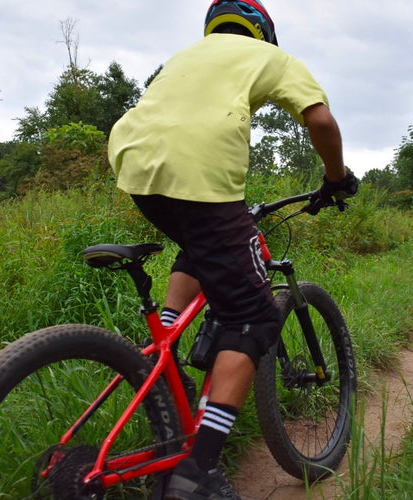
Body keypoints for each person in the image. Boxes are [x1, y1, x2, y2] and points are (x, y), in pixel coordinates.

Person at [108, 1, 358, 498]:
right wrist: (336, 180)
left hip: (135, 163)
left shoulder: (187, 56)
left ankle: (168, 350)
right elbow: (322, 122)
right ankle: (196, 473)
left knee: (203, 244)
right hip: (200, 171)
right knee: (254, 318)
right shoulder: (271, 57)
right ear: (263, 32)